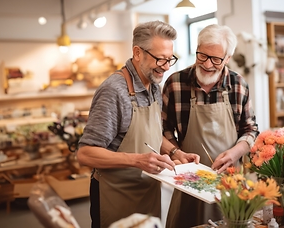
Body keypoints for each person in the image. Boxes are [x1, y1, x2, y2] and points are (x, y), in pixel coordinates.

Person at [76, 20, 200, 228]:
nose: (167, 67)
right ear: (137, 52)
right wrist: (137, 160)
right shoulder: (114, 91)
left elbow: (150, 134)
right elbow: (85, 153)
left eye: (170, 59)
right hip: (115, 196)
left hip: (146, 192)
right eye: (161, 59)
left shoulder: (153, 85)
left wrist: (175, 153)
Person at [162, 24, 259, 227]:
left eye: (216, 59)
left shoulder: (238, 85)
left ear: (228, 58)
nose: (207, 64)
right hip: (189, 179)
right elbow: (162, 129)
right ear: (196, 48)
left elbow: (250, 130)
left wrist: (235, 153)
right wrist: (177, 153)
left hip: (230, 181)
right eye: (202, 55)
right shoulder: (176, 83)